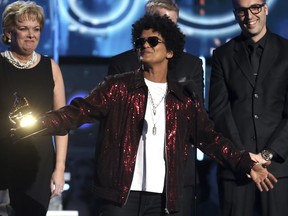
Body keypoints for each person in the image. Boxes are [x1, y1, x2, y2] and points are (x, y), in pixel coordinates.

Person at [13, 13, 277, 216]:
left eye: (153, 41)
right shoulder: (118, 87)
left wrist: (244, 162)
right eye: (140, 42)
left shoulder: (183, 99)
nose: (145, 45)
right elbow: (77, 112)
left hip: (164, 199)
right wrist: (36, 122)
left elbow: (211, 139)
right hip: (120, 197)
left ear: (170, 50)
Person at [108, 1, 203, 215]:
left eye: (173, 25)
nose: (169, 32)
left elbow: (199, 122)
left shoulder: (191, 66)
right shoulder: (121, 65)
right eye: (163, 24)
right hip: (127, 181)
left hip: (173, 181)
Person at [208, 0, 288, 216]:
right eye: (242, 11)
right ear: (235, 14)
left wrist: (267, 155)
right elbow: (219, 112)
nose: (249, 15)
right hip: (236, 170)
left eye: (255, 7)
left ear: (266, 9)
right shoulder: (222, 55)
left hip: (278, 170)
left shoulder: (286, 52)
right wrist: (244, 159)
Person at [0, 1, 68, 215]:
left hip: (38, 164)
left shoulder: (51, 67)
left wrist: (59, 168)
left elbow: (62, 122)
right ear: (10, 32)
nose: (31, 35)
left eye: (36, 29)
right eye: (23, 28)